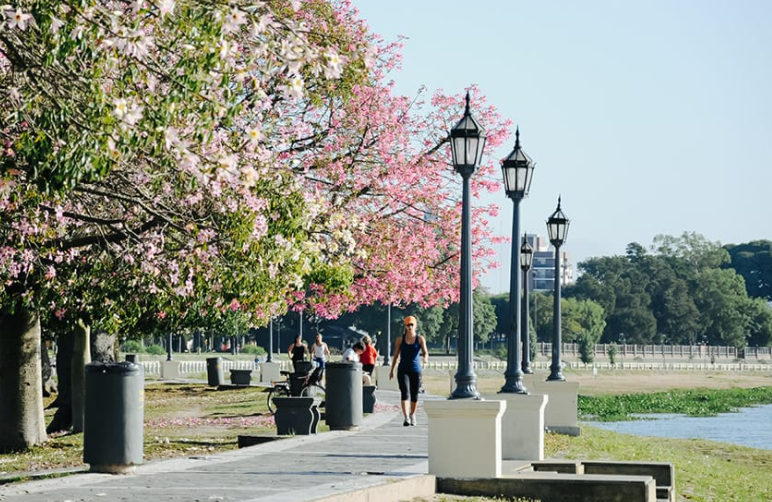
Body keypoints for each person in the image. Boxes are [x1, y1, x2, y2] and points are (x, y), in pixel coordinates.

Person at [389, 315, 428, 426]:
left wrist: (425, 358)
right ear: (405, 326)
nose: (410, 327)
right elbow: (396, 355)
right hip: (403, 369)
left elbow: (425, 352)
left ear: (415, 326)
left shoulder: (420, 339)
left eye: (412, 324)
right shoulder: (400, 340)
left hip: (416, 369)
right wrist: (392, 370)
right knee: (404, 393)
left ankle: (412, 414)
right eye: (408, 325)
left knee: (414, 395)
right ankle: (406, 417)